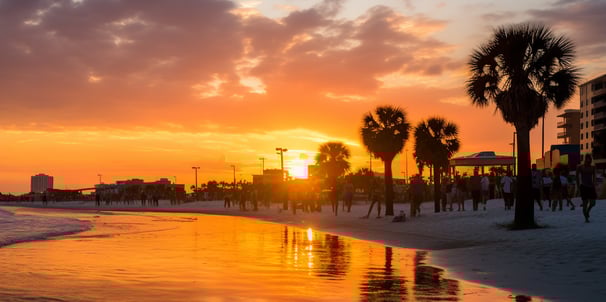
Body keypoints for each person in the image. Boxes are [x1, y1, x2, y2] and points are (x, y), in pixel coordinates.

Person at [577, 154, 597, 222]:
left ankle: (588, 211)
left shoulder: (593, 167)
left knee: (593, 203)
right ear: (585, 159)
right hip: (584, 186)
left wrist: (594, 184)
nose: (588, 160)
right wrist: (578, 187)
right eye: (587, 158)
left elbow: (594, 177)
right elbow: (577, 177)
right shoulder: (580, 167)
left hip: (591, 186)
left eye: (590, 158)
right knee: (585, 203)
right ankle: (586, 218)